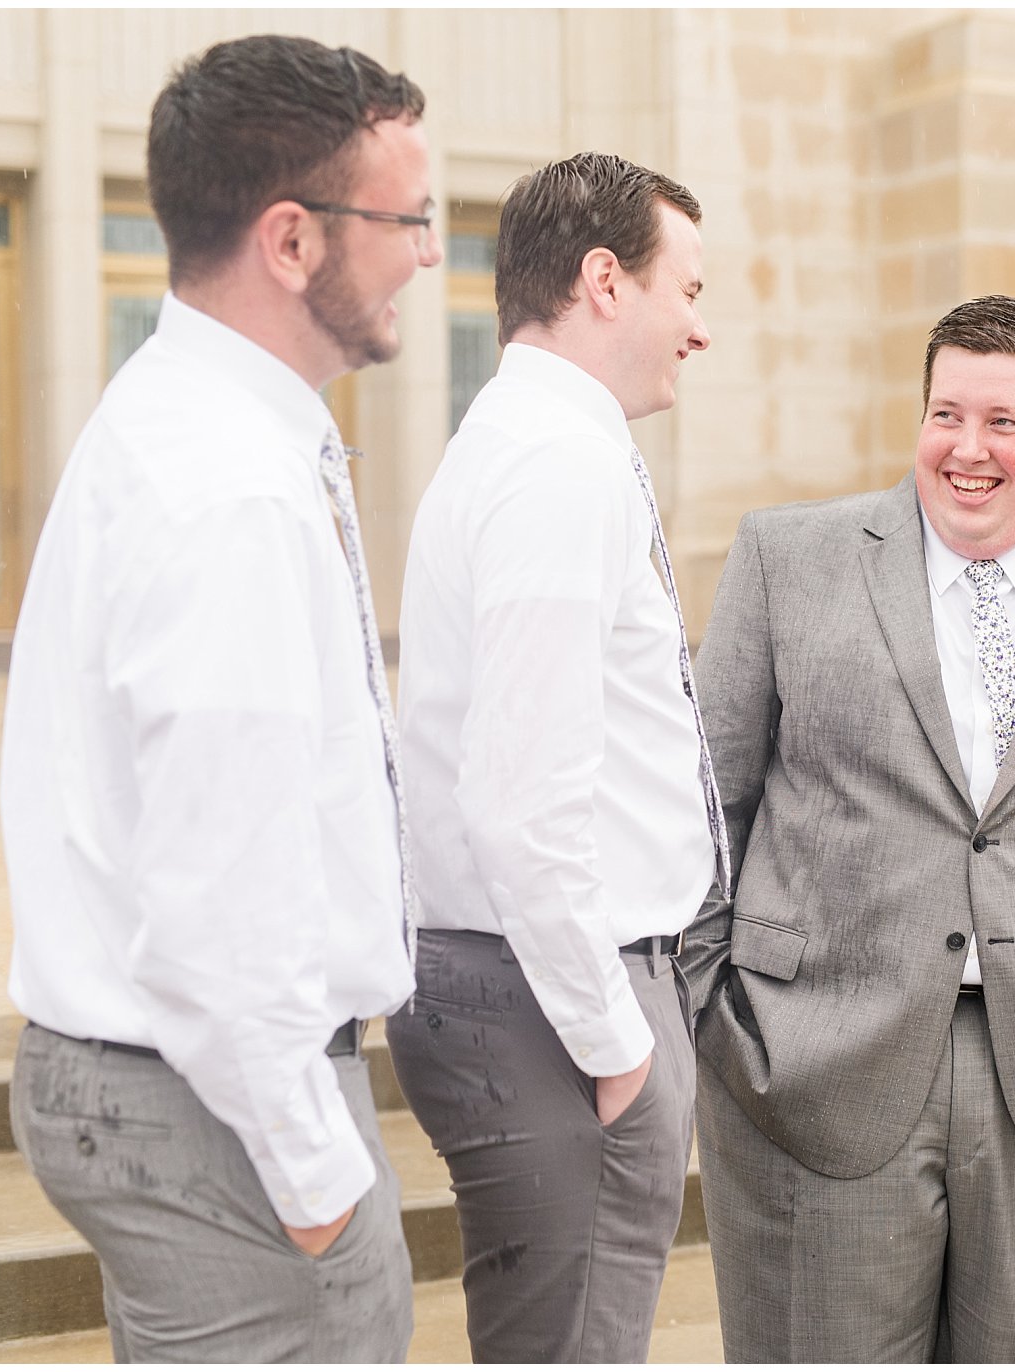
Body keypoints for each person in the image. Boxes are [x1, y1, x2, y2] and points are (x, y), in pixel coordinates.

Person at [0, 35, 439, 1362]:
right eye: (408, 218)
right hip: (218, 1106)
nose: (429, 250)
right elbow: (216, 911)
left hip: (169, 1090)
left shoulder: (194, 419)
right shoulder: (227, 489)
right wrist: (318, 1190)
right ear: (293, 240)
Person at [681, 294, 1015, 1362]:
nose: (965, 450)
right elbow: (709, 801)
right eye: (945, 414)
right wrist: (719, 1009)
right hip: (817, 1057)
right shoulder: (788, 559)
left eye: (1002, 423)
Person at [384, 153, 719, 1363]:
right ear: (603, 281)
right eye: (687, 289)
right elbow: (522, 800)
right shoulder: (556, 460)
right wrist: (618, 1045)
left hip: (530, 985)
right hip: (551, 1001)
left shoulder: (525, 436)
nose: (702, 326)